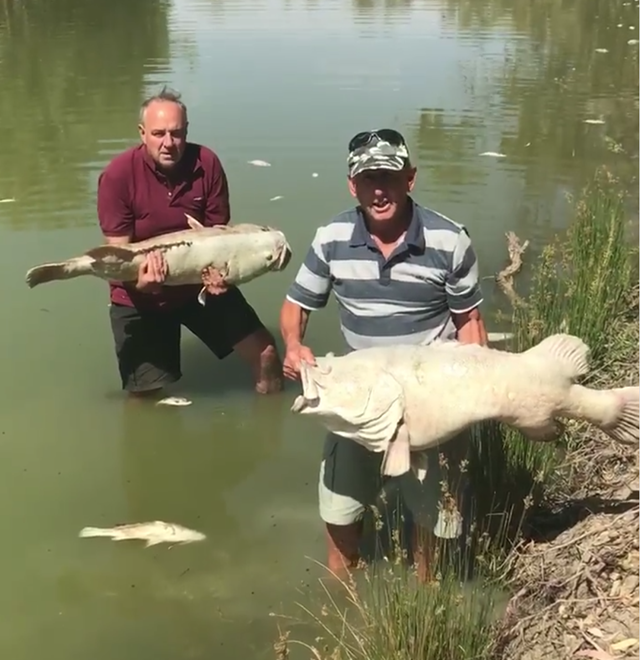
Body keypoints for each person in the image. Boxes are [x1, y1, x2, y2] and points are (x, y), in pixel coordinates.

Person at [279, 128, 488, 581]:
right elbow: (296, 305)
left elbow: (470, 325)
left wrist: (473, 397)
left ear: (409, 178)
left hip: (429, 397)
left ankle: (424, 595)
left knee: (432, 532)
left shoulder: (449, 240)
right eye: (368, 178)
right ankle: (342, 606)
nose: (379, 190)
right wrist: (294, 345)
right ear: (352, 185)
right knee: (339, 517)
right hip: (359, 395)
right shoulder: (332, 237)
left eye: (389, 177)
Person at [97, 86, 283, 399]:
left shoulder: (206, 163)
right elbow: (118, 261)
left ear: (186, 131)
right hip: (140, 297)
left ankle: (270, 430)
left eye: (176, 133)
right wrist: (144, 285)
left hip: (200, 286)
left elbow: (220, 239)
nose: (168, 143)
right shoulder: (117, 175)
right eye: (158, 134)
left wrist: (223, 278)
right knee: (145, 396)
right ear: (142, 133)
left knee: (266, 354)